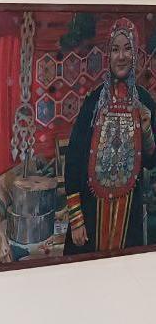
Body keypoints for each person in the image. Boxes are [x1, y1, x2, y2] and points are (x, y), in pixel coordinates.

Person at [63, 17, 155, 256]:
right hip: (91, 213)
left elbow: (151, 162)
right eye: (115, 49)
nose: (121, 56)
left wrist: (146, 131)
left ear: (135, 54)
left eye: (127, 49)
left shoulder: (145, 102)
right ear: (108, 55)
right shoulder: (94, 102)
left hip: (129, 218)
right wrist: (76, 219)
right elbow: (73, 160)